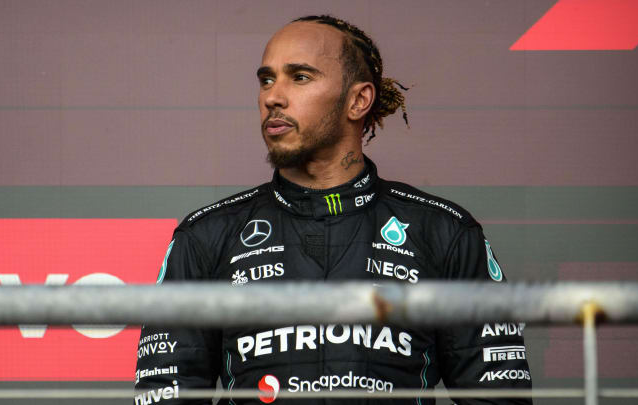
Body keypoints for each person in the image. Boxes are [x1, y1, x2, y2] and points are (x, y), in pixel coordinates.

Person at [135, 15, 532, 405]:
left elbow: (501, 399)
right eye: (266, 79)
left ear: (358, 100)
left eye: (300, 76)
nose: (273, 96)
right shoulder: (207, 235)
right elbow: (166, 395)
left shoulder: (444, 231)